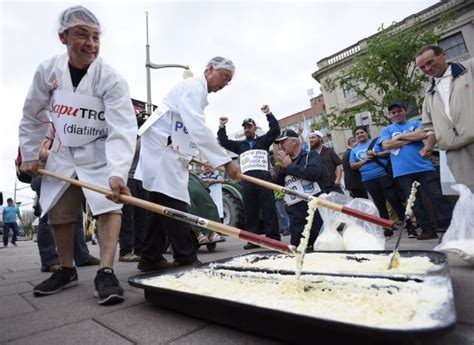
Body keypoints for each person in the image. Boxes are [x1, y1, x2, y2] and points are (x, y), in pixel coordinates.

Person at [19, 6, 137, 305]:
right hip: (61, 151)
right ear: (63, 37)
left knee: (108, 206)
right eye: (82, 35)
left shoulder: (110, 78)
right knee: (59, 210)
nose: (91, 43)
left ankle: (106, 271)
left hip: (98, 150)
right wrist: (31, 154)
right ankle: (66, 268)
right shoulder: (47, 71)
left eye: (96, 37)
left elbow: (122, 128)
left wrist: (118, 173)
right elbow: (33, 115)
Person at [135, 56, 241, 271]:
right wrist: (225, 161)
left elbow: (189, 132)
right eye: (224, 77)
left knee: (159, 206)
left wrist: (195, 156)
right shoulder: (193, 87)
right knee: (175, 205)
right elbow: (197, 128)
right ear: (209, 69)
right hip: (163, 151)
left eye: (228, 80)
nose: (224, 83)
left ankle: (150, 256)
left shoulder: (196, 92)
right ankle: (185, 256)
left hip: (168, 151)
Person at [380, 100, 453, 240]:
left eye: (399, 111)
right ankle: (428, 230)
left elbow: (423, 134)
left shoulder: (416, 124)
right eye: (393, 112)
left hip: (424, 167)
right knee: (415, 203)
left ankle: (451, 226)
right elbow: (387, 145)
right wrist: (411, 138)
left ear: (405, 111)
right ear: (390, 115)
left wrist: (400, 137)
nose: (397, 114)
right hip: (402, 172)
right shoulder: (386, 130)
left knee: (438, 196)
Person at [217, 105, 281, 249]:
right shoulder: (241, 146)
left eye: (249, 127)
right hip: (247, 182)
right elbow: (224, 142)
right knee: (250, 210)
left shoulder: (263, 141)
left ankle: (273, 238)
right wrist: (222, 126)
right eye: (245, 127)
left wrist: (269, 114)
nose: (247, 129)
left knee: (269, 209)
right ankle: (253, 239)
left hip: (263, 180)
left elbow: (275, 130)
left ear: (254, 128)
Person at [415, 44, 474, 192]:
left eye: (430, 62)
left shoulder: (470, 68)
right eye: (422, 67)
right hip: (455, 153)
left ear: (443, 54)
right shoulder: (429, 94)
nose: (427, 69)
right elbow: (430, 127)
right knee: (470, 195)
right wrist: (428, 146)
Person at [350, 126, 415, 237]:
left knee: (394, 201)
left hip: (383, 176)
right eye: (357, 134)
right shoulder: (354, 150)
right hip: (368, 180)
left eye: (362, 132)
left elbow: (389, 152)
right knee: (380, 204)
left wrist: (376, 154)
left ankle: (410, 227)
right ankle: (387, 228)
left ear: (367, 133)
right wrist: (366, 160)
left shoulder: (376, 142)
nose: (360, 135)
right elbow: (352, 165)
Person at [274, 129, 324, 249]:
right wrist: (282, 168)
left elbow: (314, 174)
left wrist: (290, 167)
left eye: (283, 142)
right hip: (295, 214)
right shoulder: (283, 162)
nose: (280, 146)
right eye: (279, 143)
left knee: (319, 246)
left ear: (294, 142)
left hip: (314, 211)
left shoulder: (310, 155)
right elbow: (277, 184)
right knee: (298, 248)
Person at [118, 136, 147, 262]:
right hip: (127, 177)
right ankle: (125, 251)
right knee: (127, 216)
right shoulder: (128, 132)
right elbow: (130, 150)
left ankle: (140, 250)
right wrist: (142, 136)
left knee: (142, 217)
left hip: (142, 178)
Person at [196, 166, 224, 244]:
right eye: (205, 167)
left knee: (214, 209)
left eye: (208, 167)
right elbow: (199, 181)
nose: (206, 168)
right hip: (203, 194)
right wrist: (208, 180)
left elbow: (222, 180)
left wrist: (213, 181)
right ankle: (202, 233)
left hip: (213, 194)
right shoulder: (200, 176)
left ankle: (213, 231)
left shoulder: (216, 175)